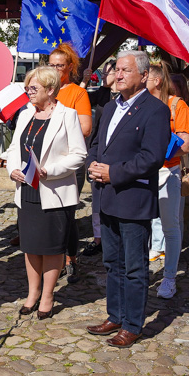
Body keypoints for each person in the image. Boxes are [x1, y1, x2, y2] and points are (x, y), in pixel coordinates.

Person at [85, 50, 170, 348]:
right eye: (116, 69)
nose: (117, 75)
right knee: (112, 263)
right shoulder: (109, 108)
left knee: (134, 267)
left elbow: (152, 157)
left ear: (144, 75)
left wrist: (114, 173)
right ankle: (115, 314)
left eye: (125, 70)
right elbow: (96, 145)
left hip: (133, 199)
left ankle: (133, 323)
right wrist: (92, 168)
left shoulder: (155, 110)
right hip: (107, 197)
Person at [6, 66, 87, 319]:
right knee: (30, 245)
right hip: (27, 190)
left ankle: (48, 295)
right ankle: (32, 293)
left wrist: (48, 171)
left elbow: (79, 154)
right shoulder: (25, 115)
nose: (28, 92)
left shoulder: (68, 115)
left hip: (54, 191)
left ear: (51, 90)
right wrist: (13, 170)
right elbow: (12, 150)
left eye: (34, 88)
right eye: (27, 87)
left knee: (52, 247)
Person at [146, 65, 189, 299]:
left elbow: (185, 144)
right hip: (142, 173)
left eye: (145, 77)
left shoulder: (177, 104)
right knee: (140, 226)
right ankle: (140, 273)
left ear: (156, 80)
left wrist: (161, 141)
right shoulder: (138, 103)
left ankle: (169, 278)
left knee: (170, 227)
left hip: (168, 171)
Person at [48, 43, 92, 283]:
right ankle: (52, 258)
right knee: (47, 214)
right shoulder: (43, 90)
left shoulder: (77, 93)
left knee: (66, 214)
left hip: (68, 162)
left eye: (60, 66)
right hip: (44, 162)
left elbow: (85, 128)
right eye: (51, 65)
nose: (55, 70)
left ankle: (71, 258)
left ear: (70, 67)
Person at [82, 59, 117, 257]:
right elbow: (83, 98)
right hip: (97, 151)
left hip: (116, 156)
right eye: (103, 72)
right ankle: (98, 239)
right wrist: (85, 82)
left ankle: (113, 237)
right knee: (96, 199)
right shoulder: (102, 93)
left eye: (107, 72)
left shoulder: (127, 97)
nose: (103, 75)